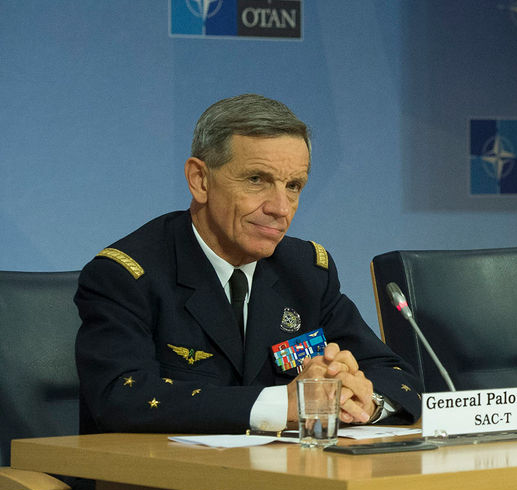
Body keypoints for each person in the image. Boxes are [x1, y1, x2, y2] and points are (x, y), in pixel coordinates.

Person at [75, 94, 422, 435]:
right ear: (200, 180)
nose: (281, 208)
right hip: (163, 484)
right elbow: (121, 397)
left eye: (293, 186)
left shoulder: (305, 270)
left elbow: (394, 374)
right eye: (257, 180)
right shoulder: (127, 275)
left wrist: (361, 398)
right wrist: (282, 405)